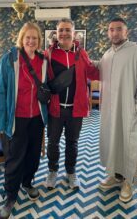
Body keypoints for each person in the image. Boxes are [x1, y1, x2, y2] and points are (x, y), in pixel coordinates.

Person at [0, 22, 48, 219]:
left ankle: (28, 183)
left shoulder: (43, 61)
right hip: (16, 119)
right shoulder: (9, 60)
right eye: (27, 37)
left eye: (34, 38)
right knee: (15, 159)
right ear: (21, 39)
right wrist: (0, 120)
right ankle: (10, 196)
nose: (31, 41)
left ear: (39, 41)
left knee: (32, 155)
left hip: (36, 119)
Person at [94, 18, 137, 202]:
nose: (115, 33)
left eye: (119, 29)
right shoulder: (107, 55)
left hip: (129, 110)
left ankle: (129, 181)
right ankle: (114, 174)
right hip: (110, 111)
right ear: (108, 33)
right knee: (113, 142)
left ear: (126, 32)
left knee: (129, 145)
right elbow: (97, 69)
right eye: (111, 29)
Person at [45, 18, 99, 190]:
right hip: (55, 108)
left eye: (67, 30)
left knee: (72, 142)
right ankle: (52, 171)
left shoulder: (82, 54)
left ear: (74, 33)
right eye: (61, 30)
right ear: (56, 33)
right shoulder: (49, 54)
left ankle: (71, 172)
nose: (64, 33)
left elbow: (92, 71)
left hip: (76, 109)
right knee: (53, 142)